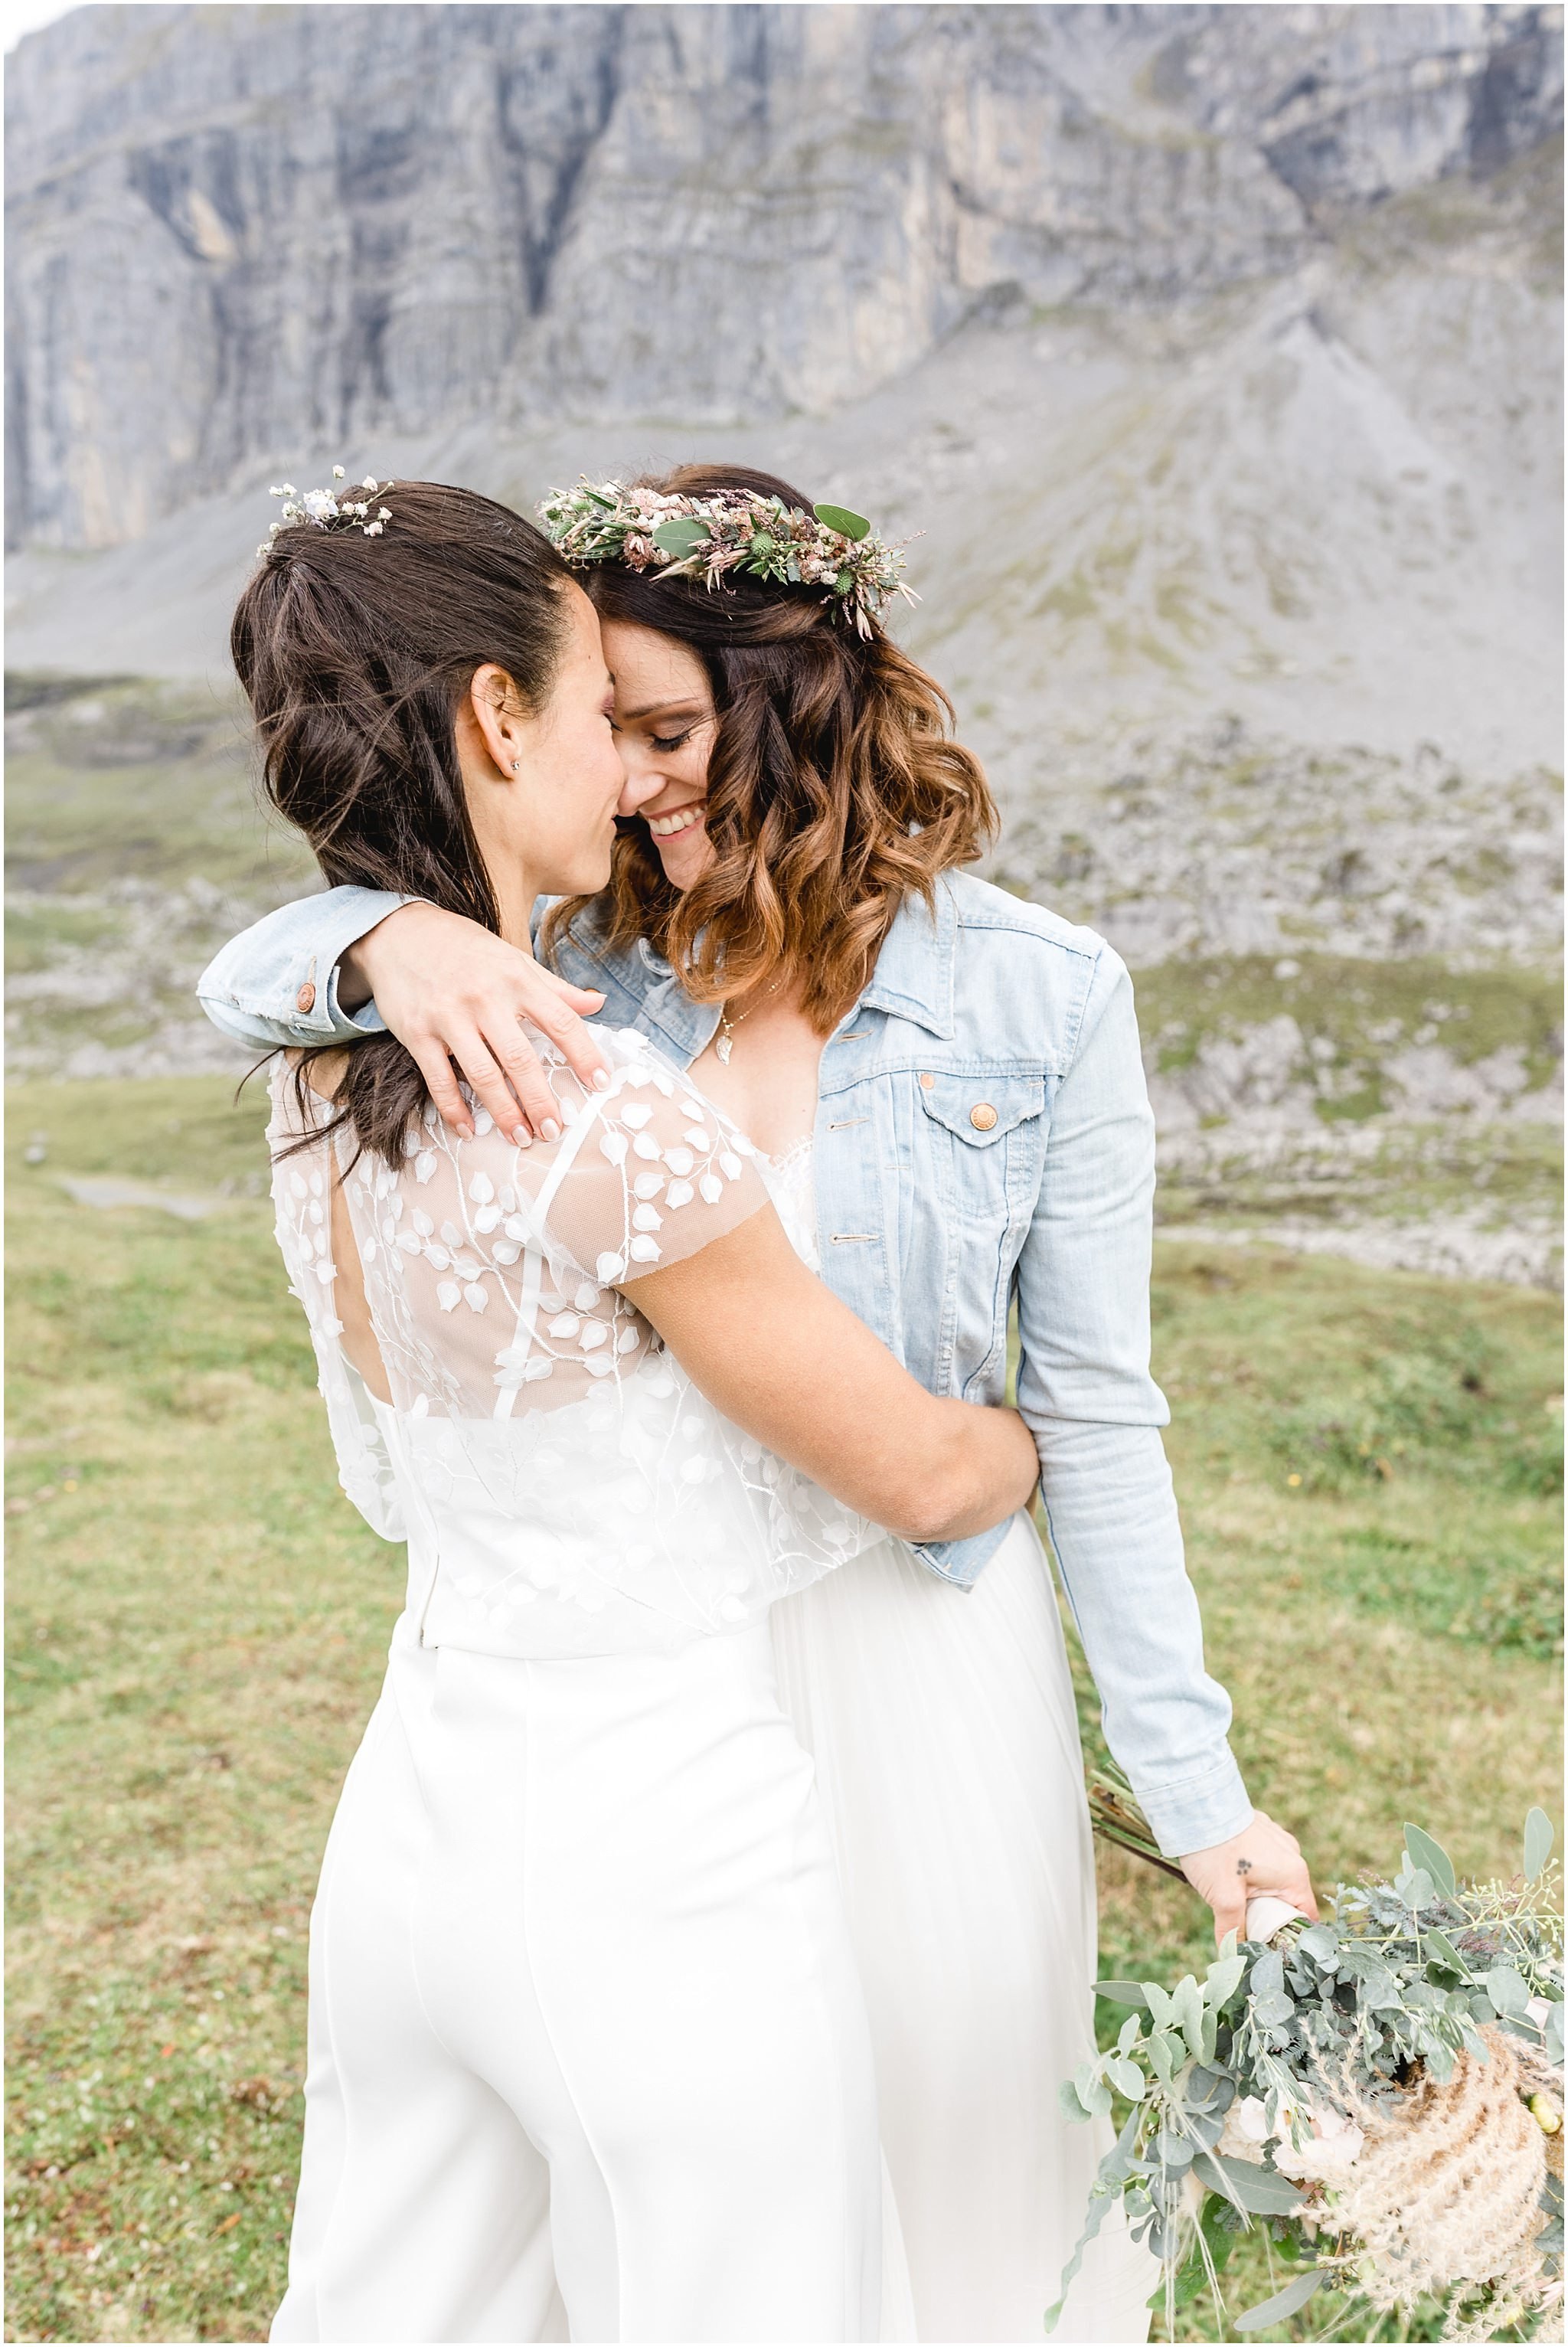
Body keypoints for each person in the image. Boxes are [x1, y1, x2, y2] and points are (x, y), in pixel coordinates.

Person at [202, 466, 1318, 2342]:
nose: (632, 780)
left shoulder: (1041, 1002)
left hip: (924, 1663)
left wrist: (1195, 1797)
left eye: (669, 730)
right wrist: (377, 940)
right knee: (675, 2205)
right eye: (604, 729)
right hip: (674, 1684)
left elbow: (1099, 1422)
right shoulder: (551, 992)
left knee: (949, 2190)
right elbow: (256, 979)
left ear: (801, 707)